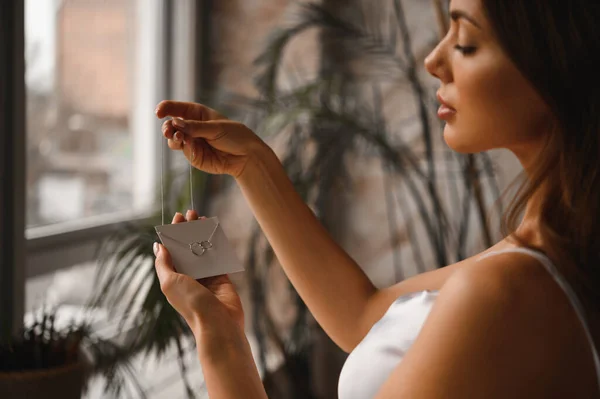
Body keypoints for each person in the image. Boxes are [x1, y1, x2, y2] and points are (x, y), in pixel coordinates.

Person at [152, 0, 600, 397]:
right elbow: (364, 317)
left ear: (558, 60)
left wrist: (219, 343)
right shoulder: (552, 251)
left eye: (464, 42)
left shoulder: (506, 293)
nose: (432, 60)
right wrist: (252, 164)